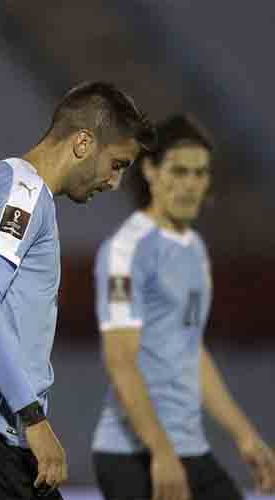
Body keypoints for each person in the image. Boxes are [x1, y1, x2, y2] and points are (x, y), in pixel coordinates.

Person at [0, 81, 156, 500]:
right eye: (117, 164)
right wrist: (33, 418)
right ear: (83, 143)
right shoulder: (21, 194)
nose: (115, 182)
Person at [91, 114, 275, 500]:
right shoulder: (126, 250)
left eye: (200, 173)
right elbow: (121, 360)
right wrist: (161, 450)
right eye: (179, 171)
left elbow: (191, 353)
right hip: (134, 455)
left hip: (189, 450)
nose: (191, 184)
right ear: (151, 172)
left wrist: (245, 437)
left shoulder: (193, 249)